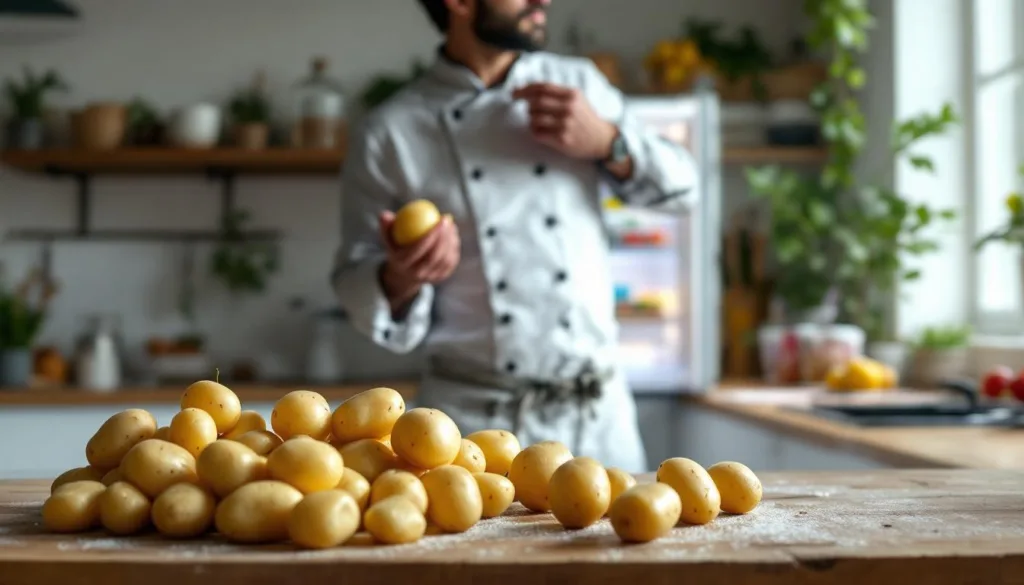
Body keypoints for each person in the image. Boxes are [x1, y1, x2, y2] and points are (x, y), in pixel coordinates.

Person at [331, 0, 699, 473]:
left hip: (597, 421)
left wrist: (610, 141)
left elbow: (685, 187)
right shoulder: (391, 132)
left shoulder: (578, 86)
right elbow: (353, 282)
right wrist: (401, 276)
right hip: (467, 431)